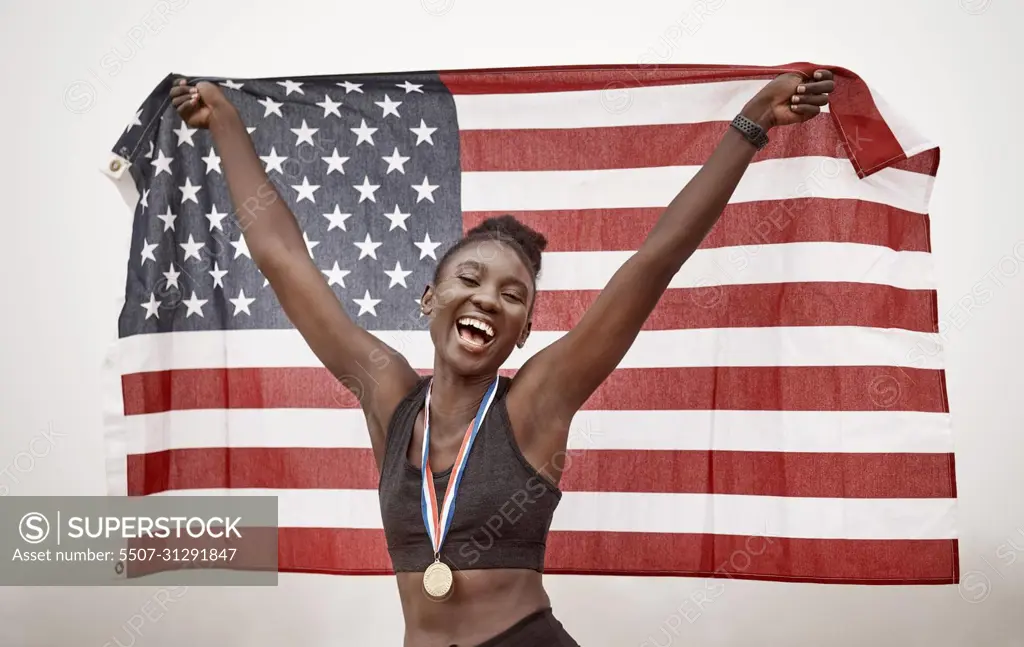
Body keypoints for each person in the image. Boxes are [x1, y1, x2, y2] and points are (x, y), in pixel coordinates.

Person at [170, 67, 834, 646]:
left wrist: (749, 125)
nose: (488, 298)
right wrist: (225, 121)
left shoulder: (537, 399)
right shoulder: (389, 395)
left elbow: (653, 260)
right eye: (469, 280)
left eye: (513, 295)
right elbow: (284, 260)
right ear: (429, 300)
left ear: (521, 332)